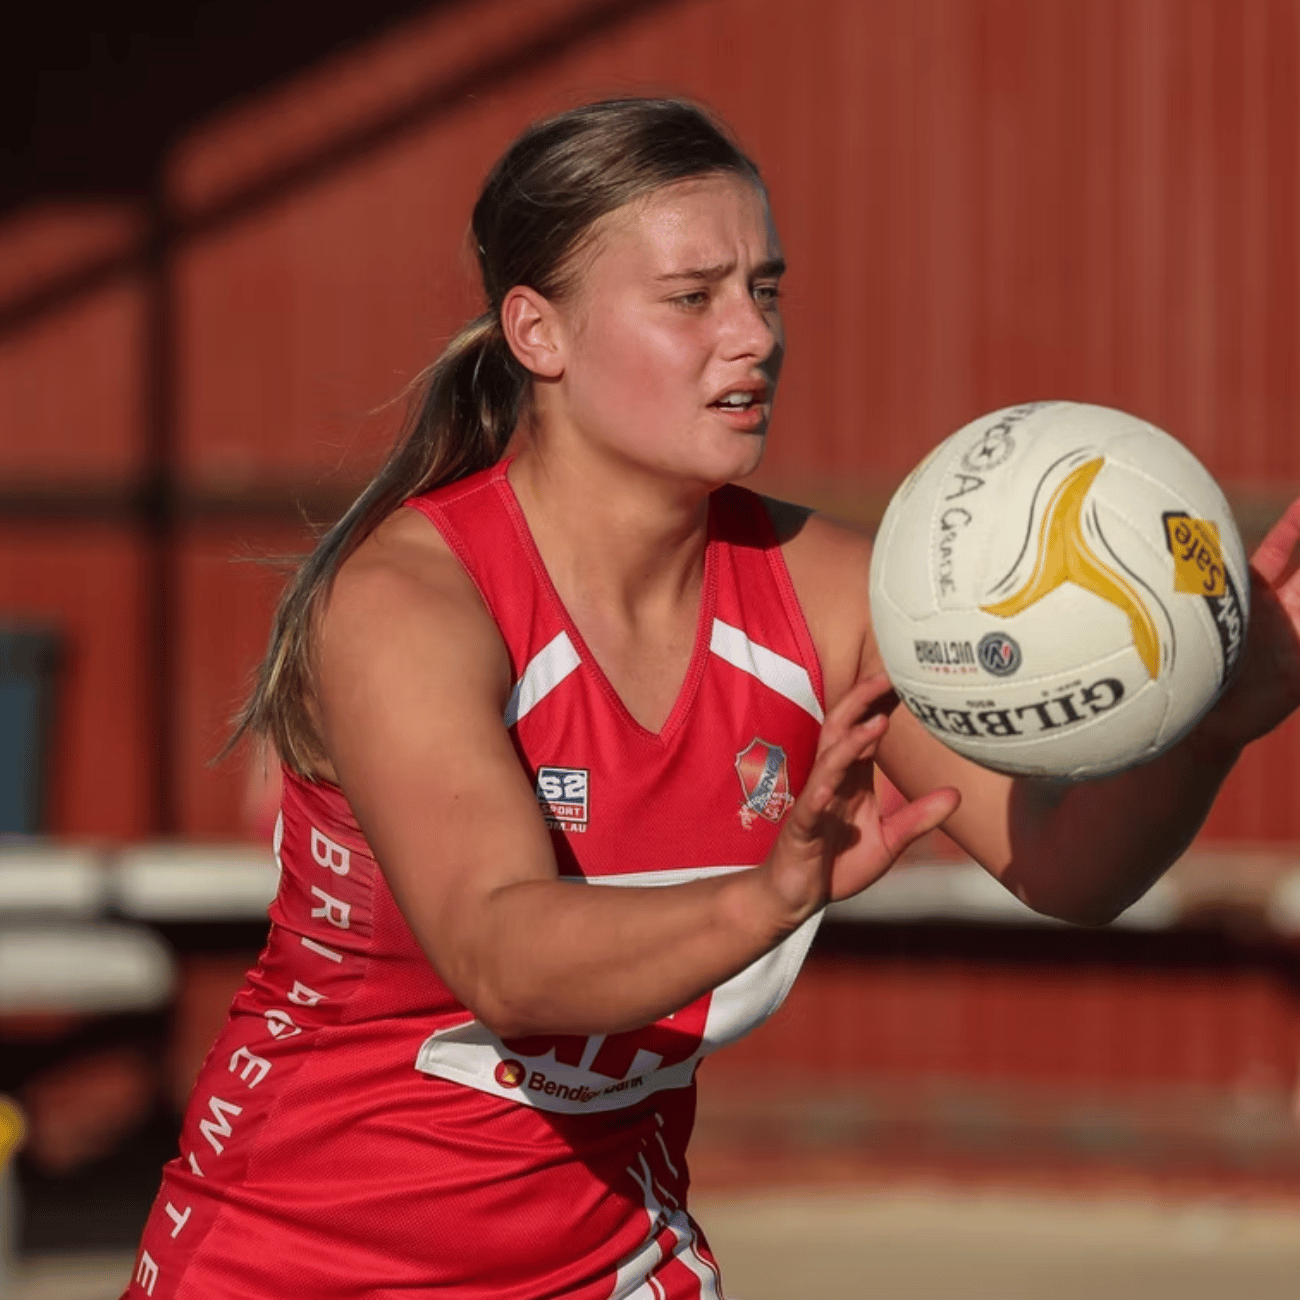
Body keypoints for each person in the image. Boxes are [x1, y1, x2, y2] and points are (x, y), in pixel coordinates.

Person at [124, 98, 1300, 1300]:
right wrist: (768, 893)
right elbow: (503, 955)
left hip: (612, 1264)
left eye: (765, 290)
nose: (753, 335)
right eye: (692, 298)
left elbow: (1064, 863)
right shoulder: (410, 600)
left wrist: (1214, 723)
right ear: (538, 332)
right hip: (295, 1262)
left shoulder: (833, 591)